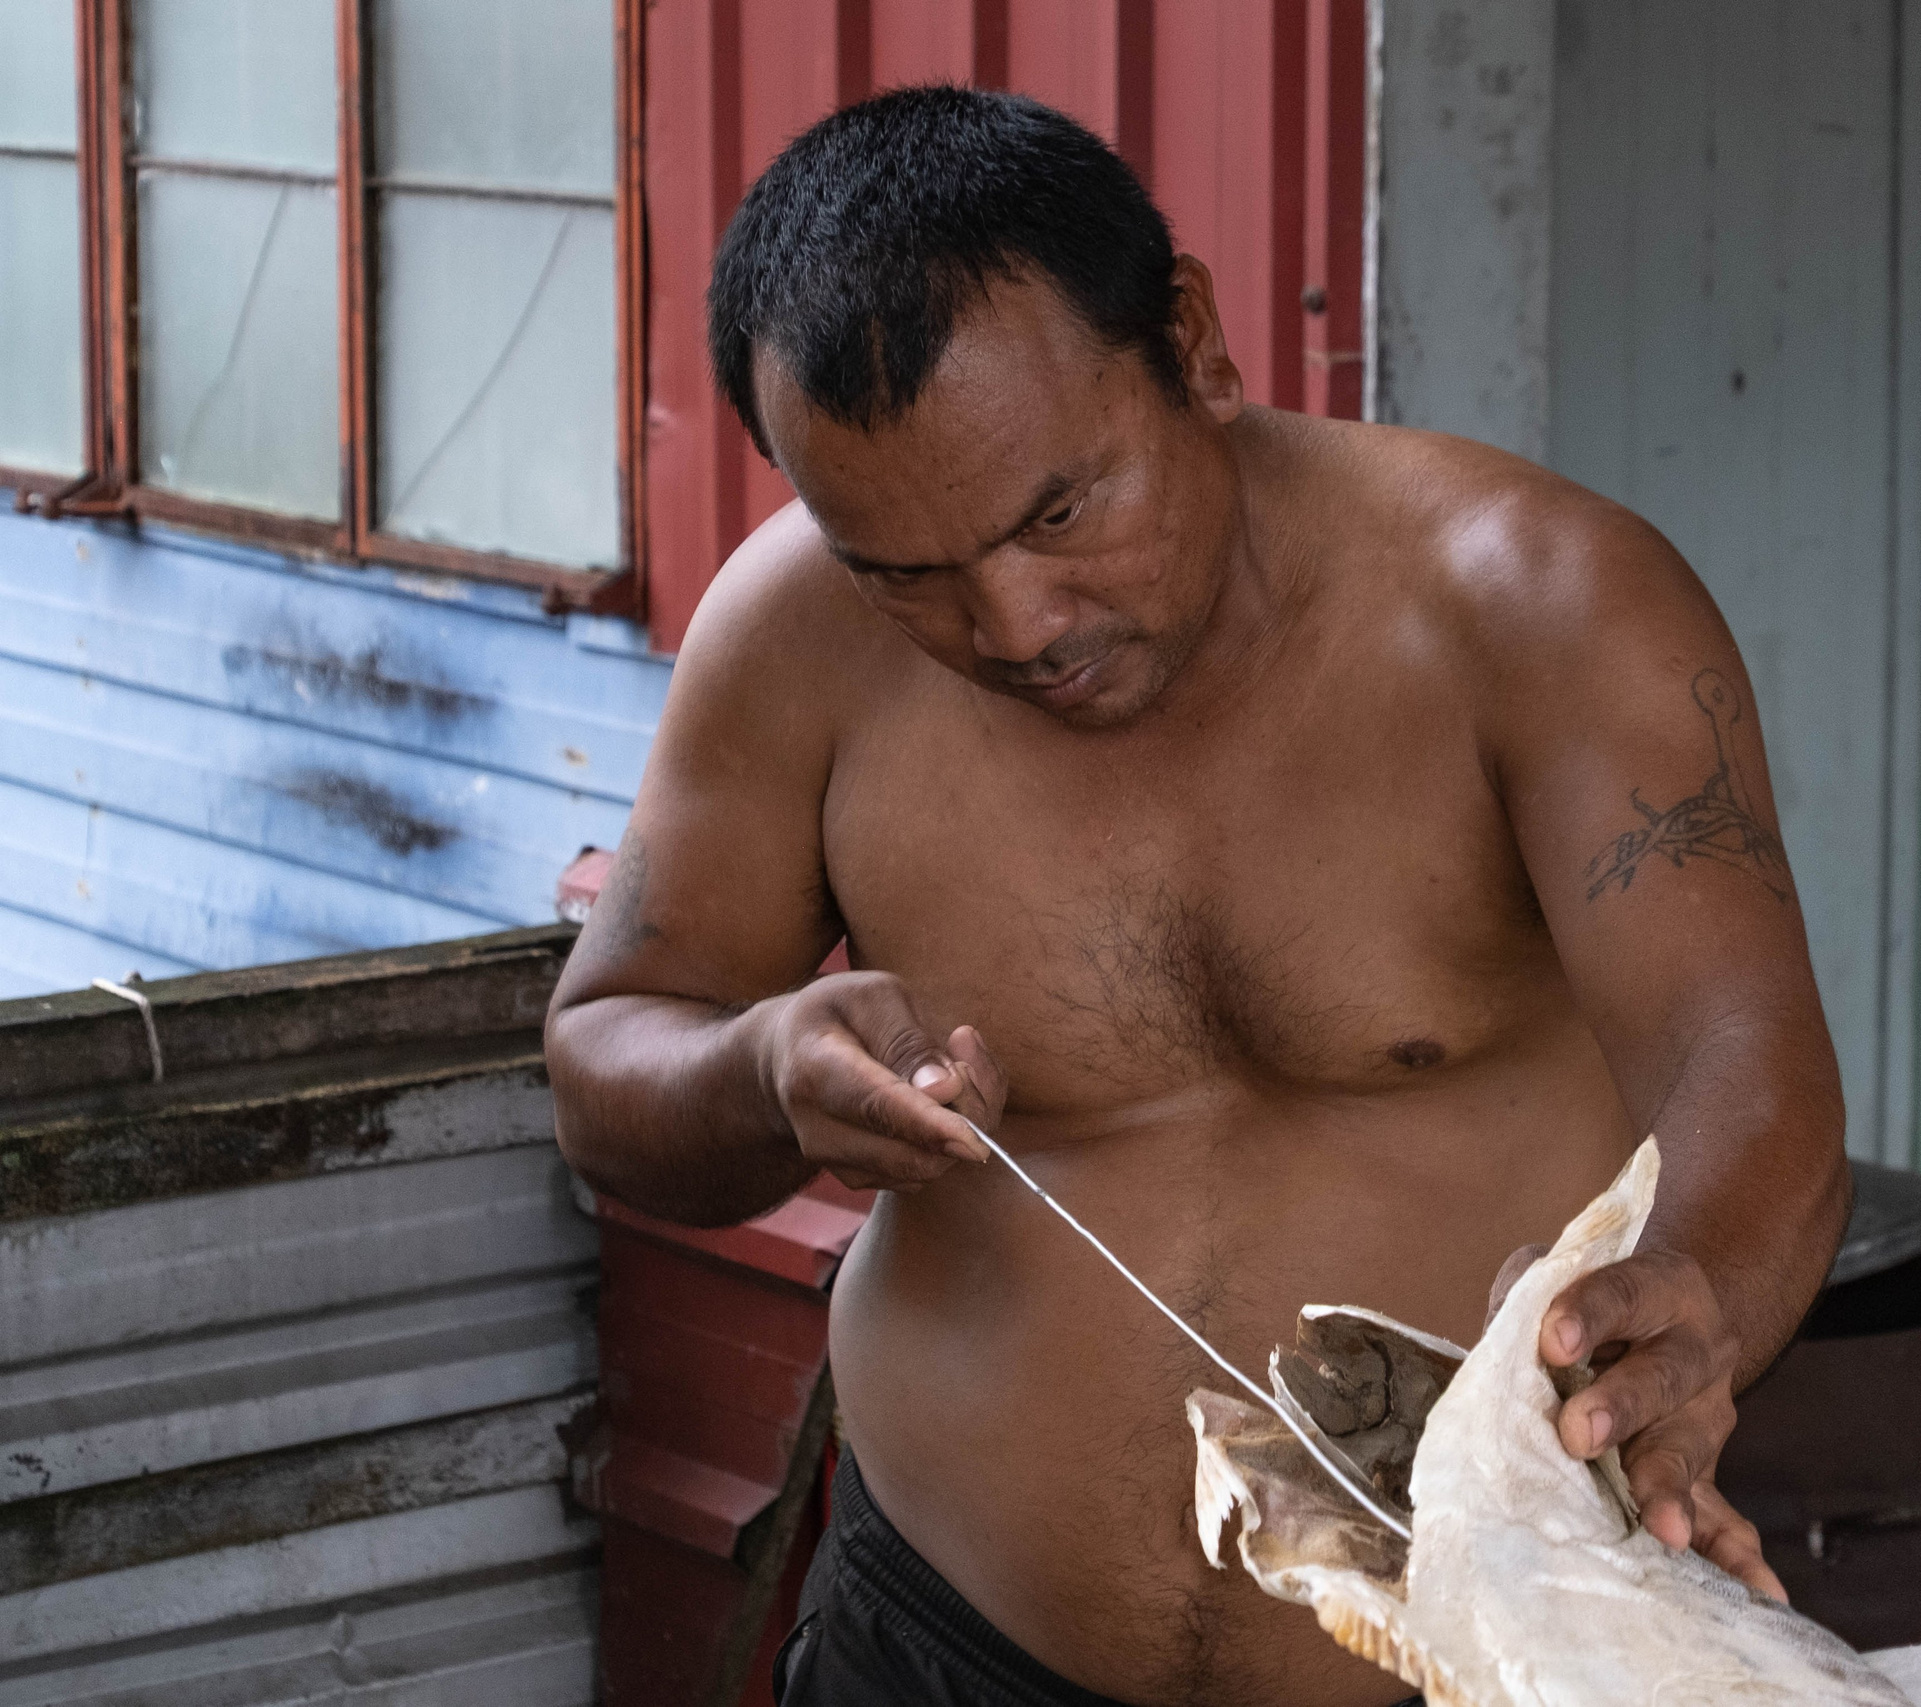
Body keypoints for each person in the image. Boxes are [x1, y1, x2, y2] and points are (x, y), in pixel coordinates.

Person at [546, 85, 1850, 1707]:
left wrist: (1694, 1300)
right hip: (940, 1647)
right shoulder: (793, 639)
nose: (1015, 624)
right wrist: (756, 1075)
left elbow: (1754, 1069)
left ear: (1195, 344)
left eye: (1059, 513)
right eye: (907, 572)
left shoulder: (1544, 608)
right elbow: (606, 1059)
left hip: (1467, 1656)